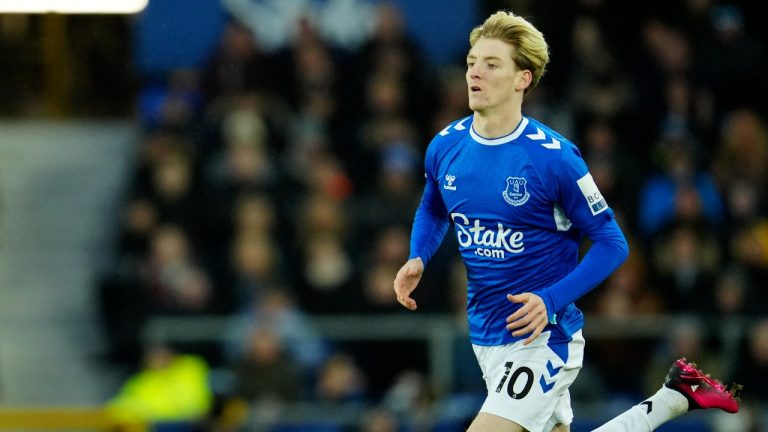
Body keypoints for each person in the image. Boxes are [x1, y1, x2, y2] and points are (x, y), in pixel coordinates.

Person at [393, 10, 742, 432]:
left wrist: (550, 300)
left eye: (491, 64)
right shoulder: (445, 145)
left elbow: (614, 244)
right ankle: (674, 398)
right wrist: (419, 256)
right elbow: (433, 206)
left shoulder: (554, 158)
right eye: (471, 62)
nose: (474, 73)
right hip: (486, 336)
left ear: (523, 78)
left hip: (543, 338)